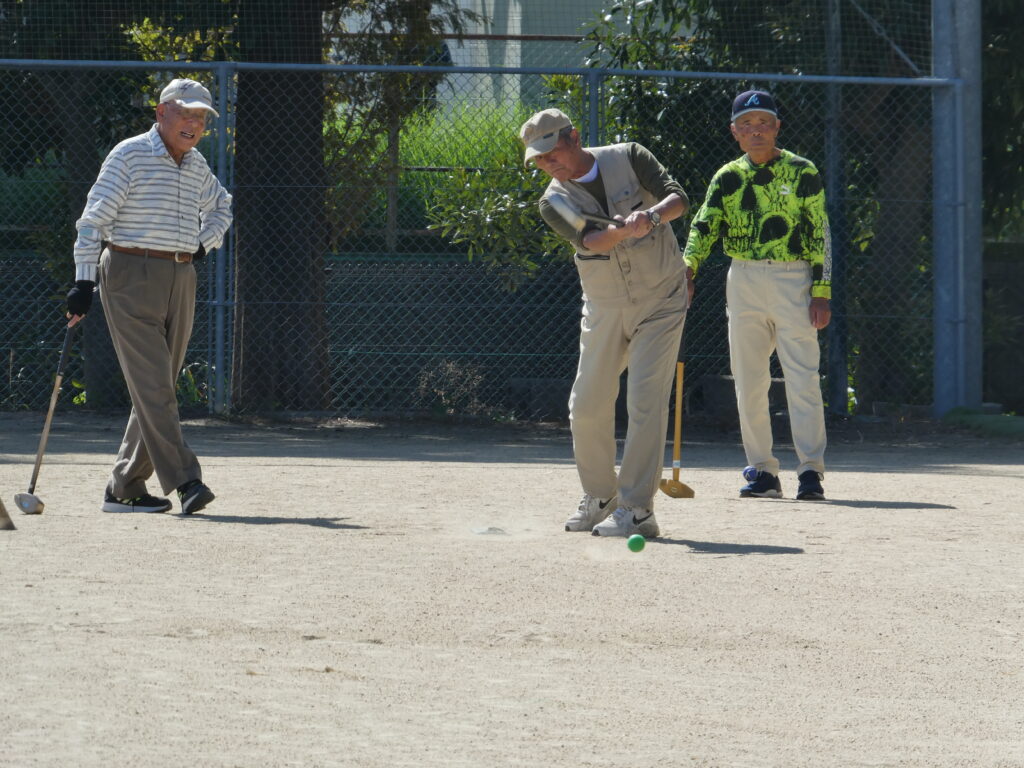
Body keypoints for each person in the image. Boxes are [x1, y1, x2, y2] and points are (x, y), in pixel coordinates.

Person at [64, 78, 233, 515]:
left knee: (157, 386)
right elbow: (92, 221)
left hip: (181, 275)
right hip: (129, 273)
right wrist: (84, 281)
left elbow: (222, 206)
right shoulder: (129, 154)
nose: (193, 123)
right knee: (155, 386)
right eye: (185, 113)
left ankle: (124, 487)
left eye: (201, 117)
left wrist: (203, 244)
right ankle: (186, 480)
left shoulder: (196, 165)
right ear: (161, 113)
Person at [520, 108, 690, 538]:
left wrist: (651, 216)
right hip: (605, 305)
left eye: (551, 152)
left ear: (574, 137)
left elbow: (678, 198)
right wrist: (624, 231)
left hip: (662, 297)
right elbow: (592, 240)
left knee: (645, 400)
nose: (547, 163)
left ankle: (637, 510)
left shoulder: (629, 155)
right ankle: (601, 495)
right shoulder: (552, 201)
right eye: (538, 159)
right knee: (586, 406)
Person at [683, 90, 831, 500]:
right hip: (743, 277)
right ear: (734, 132)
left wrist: (821, 291)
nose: (756, 131)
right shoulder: (727, 176)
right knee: (749, 379)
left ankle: (810, 471)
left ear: (777, 127)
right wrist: (688, 268)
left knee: (802, 377)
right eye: (746, 125)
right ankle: (762, 471)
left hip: (792, 277)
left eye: (763, 122)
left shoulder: (802, 171)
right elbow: (705, 224)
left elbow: (819, 231)